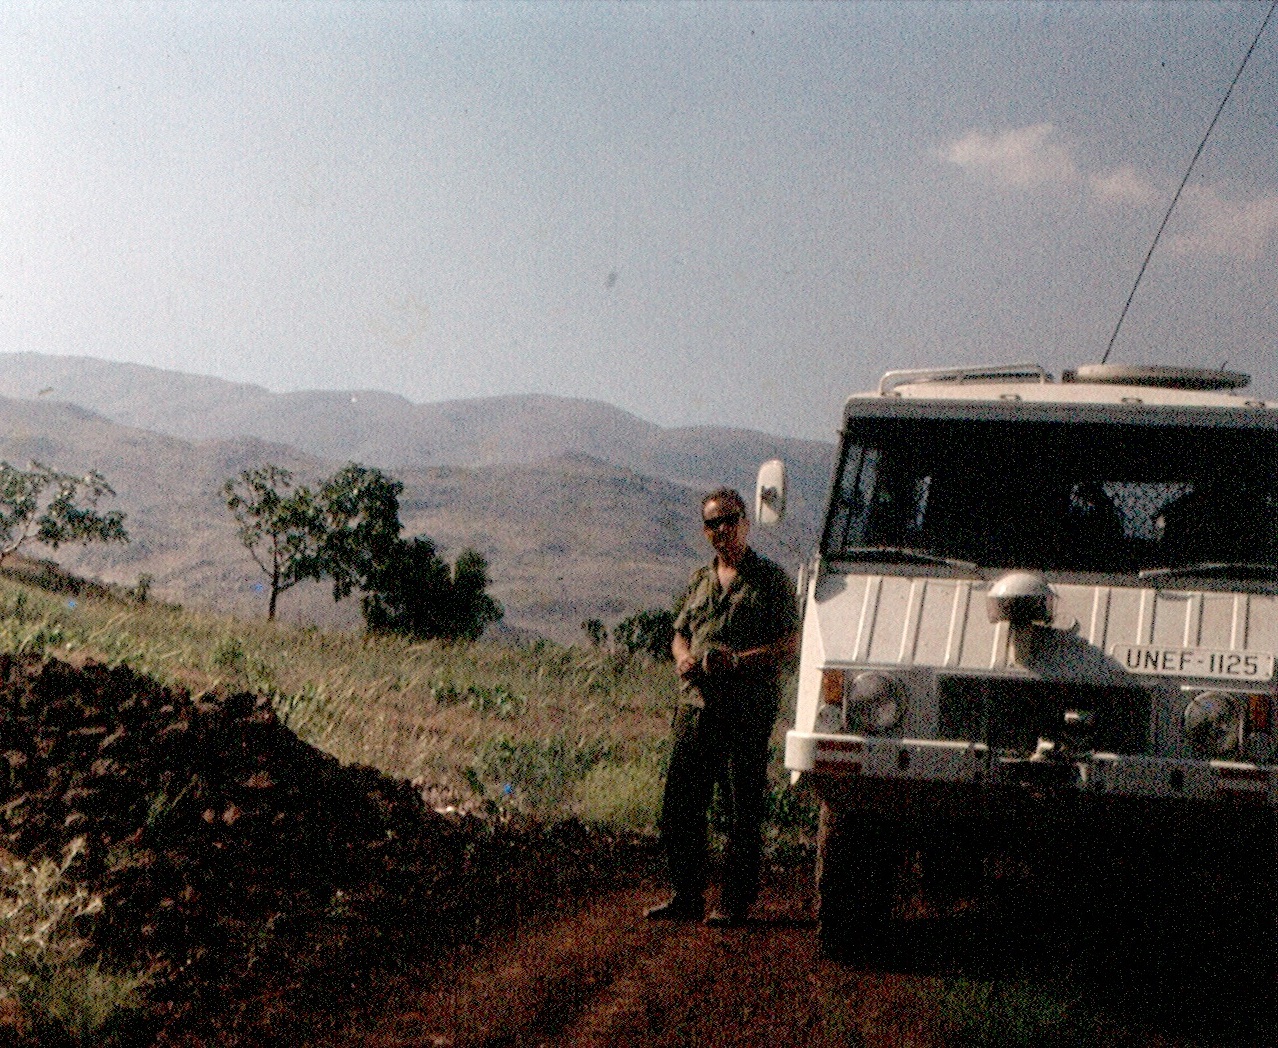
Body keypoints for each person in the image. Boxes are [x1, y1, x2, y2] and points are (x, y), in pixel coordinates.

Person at [645, 487, 800, 928]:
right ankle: (686, 895)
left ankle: (734, 900)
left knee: (740, 808)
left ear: (746, 523)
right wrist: (683, 658)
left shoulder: (770, 579)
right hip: (697, 706)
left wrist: (738, 660)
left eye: (730, 520)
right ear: (705, 530)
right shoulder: (700, 579)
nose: (722, 530)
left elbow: (790, 644)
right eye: (713, 523)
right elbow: (680, 633)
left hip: (746, 709)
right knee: (681, 804)